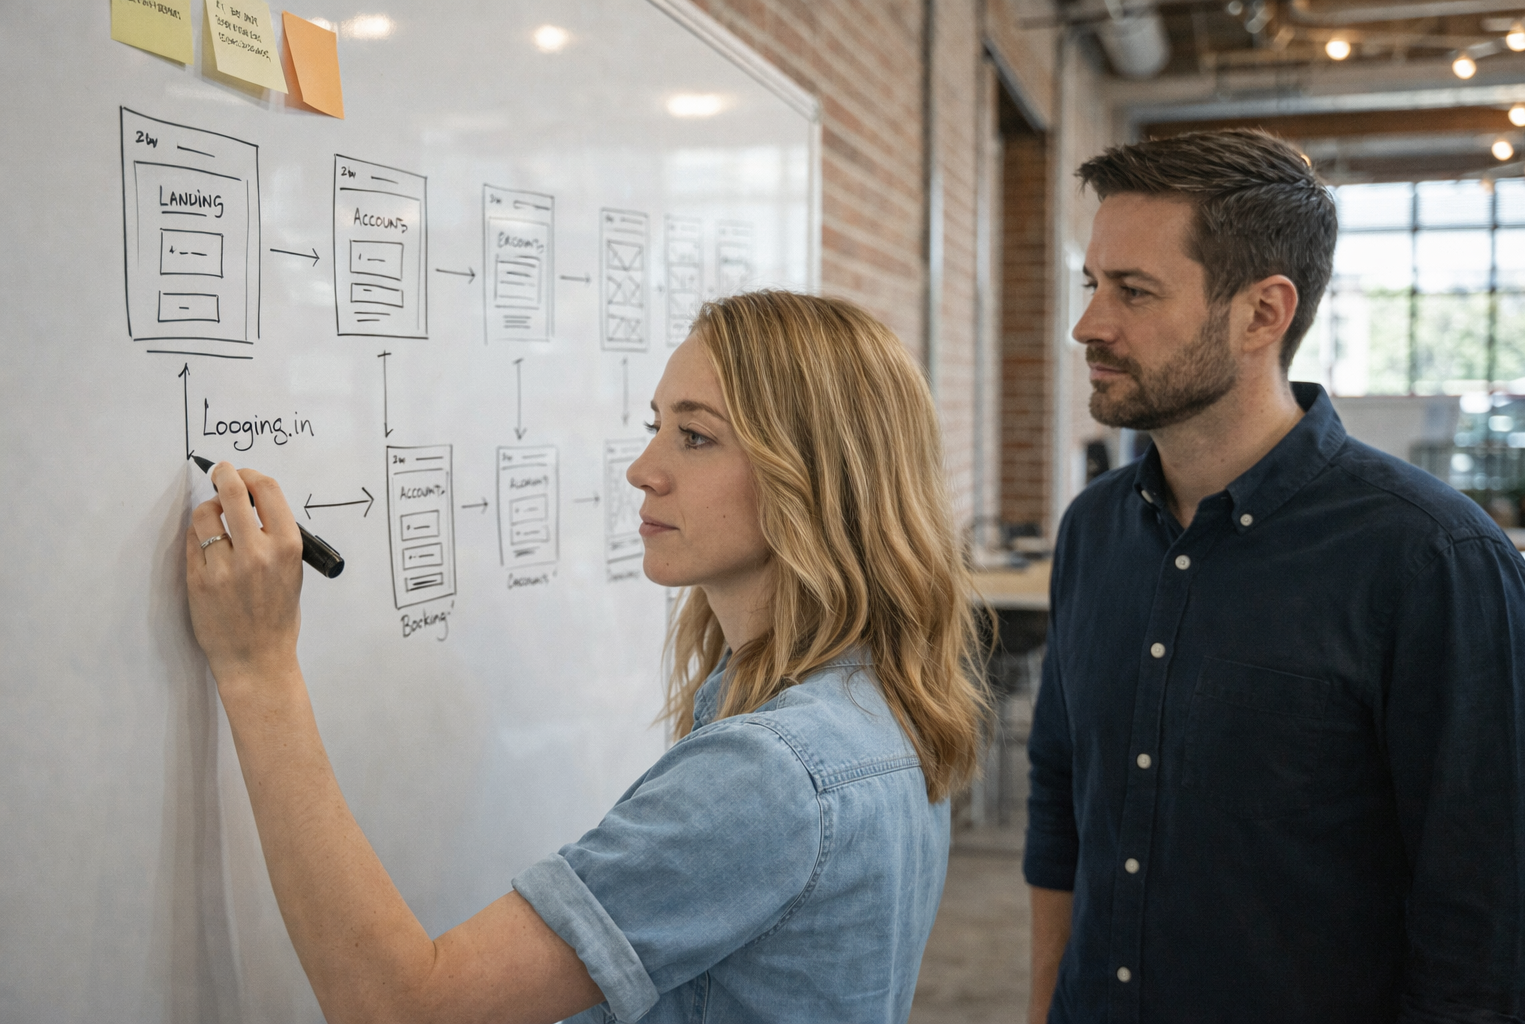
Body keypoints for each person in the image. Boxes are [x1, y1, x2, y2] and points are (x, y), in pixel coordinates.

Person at [184, 290, 987, 1024]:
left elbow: (401, 1008)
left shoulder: (773, 775)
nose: (643, 470)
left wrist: (260, 668)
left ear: (816, 479)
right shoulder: (872, 703)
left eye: (696, 437)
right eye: (656, 426)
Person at [1025, 129, 1525, 1024]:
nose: (1089, 325)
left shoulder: (1431, 561)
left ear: (1263, 313)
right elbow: (1061, 801)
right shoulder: (1094, 529)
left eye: (1134, 291)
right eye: (1093, 284)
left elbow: (1488, 916)